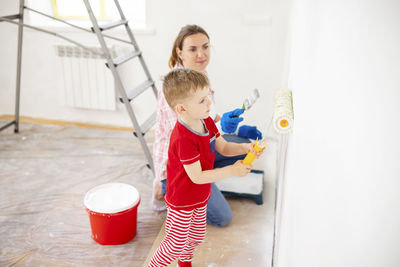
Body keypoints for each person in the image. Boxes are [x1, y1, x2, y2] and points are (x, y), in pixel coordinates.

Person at [149, 68, 262, 267]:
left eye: (207, 95)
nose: (209, 102)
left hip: (200, 196)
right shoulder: (183, 137)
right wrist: (231, 171)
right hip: (182, 199)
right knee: (174, 243)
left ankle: (185, 262)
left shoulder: (207, 121)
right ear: (182, 109)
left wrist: (245, 147)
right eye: (202, 100)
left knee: (196, 236)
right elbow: (197, 176)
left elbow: (224, 147)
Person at [152, 25, 262, 227]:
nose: (201, 54)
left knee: (244, 145)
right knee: (223, 217)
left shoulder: (201, 75)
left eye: (205, 47)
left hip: (200, 148)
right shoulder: (174, 91)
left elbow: (209, 118)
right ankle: (168, 187)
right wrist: (228, 171)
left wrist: (236, 129)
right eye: (193, 49)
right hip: (180, 167)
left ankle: (209, 174)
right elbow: (186, 136)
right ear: (180, 52)